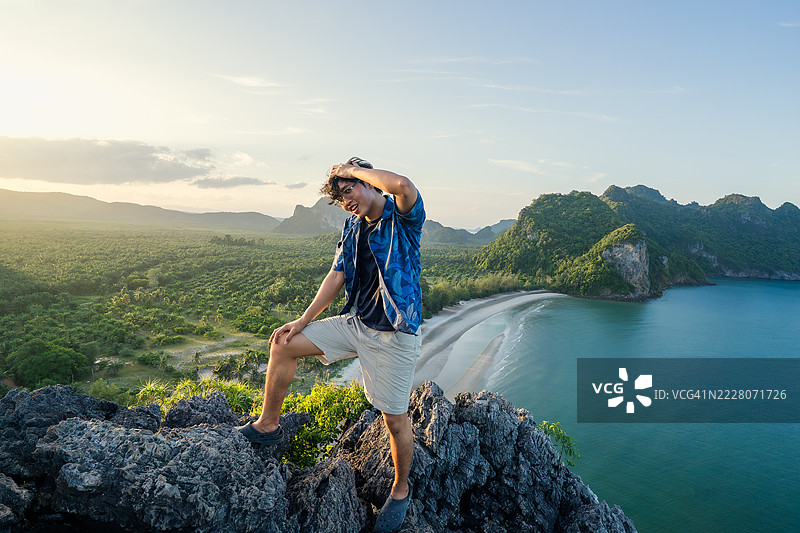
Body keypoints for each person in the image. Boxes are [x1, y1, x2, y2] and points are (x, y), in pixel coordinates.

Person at [238, 157, 425, 533]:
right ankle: (269, 425)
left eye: (349, 190)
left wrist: (351, 170)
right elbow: (336, 274)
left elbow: (403, 185)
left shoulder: (402, 218)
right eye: (340, 197)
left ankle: (401, 489)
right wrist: (303, 320)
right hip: (356, 323)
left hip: (394, 333)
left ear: (368, 183)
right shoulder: (352, 225)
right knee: (283, 344)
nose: (346, 201)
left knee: (394, 420)